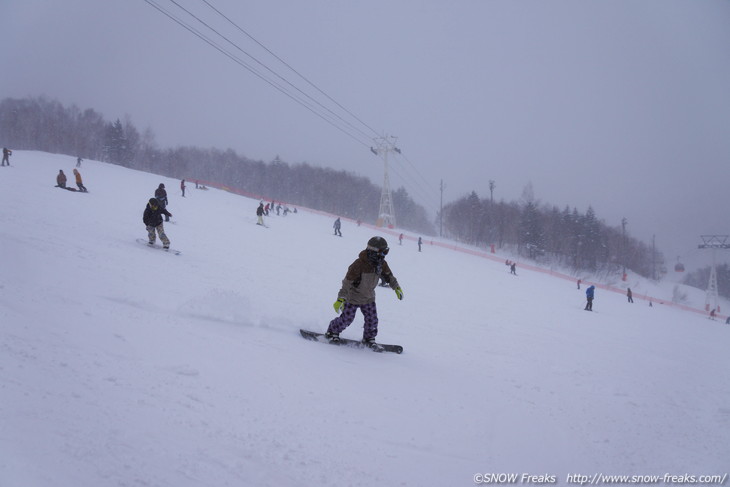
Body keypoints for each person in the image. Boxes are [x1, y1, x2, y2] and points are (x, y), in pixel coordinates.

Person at [325, 236, 404, 349]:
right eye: (383, 252)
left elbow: (389, 276)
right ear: (373, 251)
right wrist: (341, 298)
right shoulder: (358, 264)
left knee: (372, 320)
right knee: (347, 319)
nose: (384, 255)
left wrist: (396, 288)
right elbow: (347, 282)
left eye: (386, 252)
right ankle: (332, 331)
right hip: (353, 297)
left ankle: (369, 338)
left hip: (368, 298)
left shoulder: (381, 264)